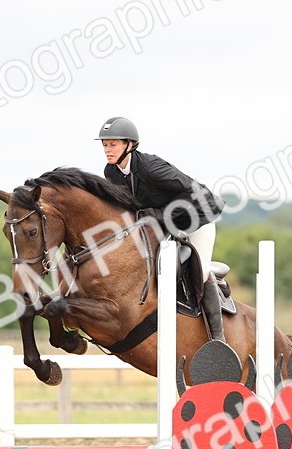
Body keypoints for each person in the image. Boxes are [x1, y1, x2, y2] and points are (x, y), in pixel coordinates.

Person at [96, 116, 227, 342]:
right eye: (105, 145)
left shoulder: (151, 168)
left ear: (129, 145)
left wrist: (158, 214)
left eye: (113, 144)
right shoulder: (111, 173)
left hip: (197, 221)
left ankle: (218, 338)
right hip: (161, 228)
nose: (108, 150)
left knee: (201, 271)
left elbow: (196, 193)